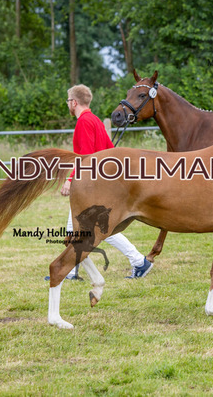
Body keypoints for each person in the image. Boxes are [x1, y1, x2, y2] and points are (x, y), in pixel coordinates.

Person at [59, 84, 152, 280]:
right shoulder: (95, 120)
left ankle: (138, 261)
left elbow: (85, 156)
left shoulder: (84, 122)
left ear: (74, 102)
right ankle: (71, 271)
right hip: (101, 180)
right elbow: (110, 148)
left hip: (93, 183)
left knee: (97, 228)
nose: (68, 104)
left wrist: (70, 179)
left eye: (68, 101)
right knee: (75, 227)